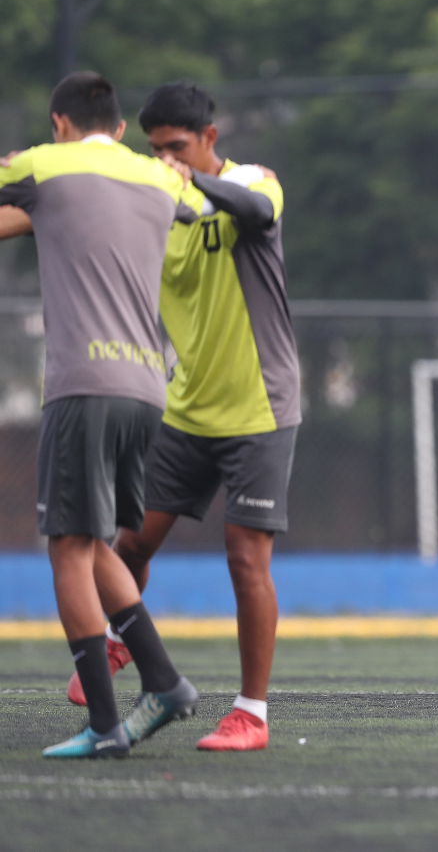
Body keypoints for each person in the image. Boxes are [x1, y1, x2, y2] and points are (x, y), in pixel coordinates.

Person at [59, 82, 298, 752]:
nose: (165, 157)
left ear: (209, 139)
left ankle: (251, 712)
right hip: (186, 406)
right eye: (155, 147)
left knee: (245, 557)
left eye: (178, 146)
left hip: (260, 405)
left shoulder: (253, 181)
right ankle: (117, 642)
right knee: (128, 543)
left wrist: (189, 181)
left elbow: (253, 209)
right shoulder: (154, 197)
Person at [0, 72, 203, 758]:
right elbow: (190, 210)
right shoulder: (157, 177)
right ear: (118, 127)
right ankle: (166, 682)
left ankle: (105, 724)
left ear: (58, 122)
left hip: (82, 383)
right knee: (95, 545)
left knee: (66, 547)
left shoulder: (40, 163)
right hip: (147, 387)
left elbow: (30, 196)